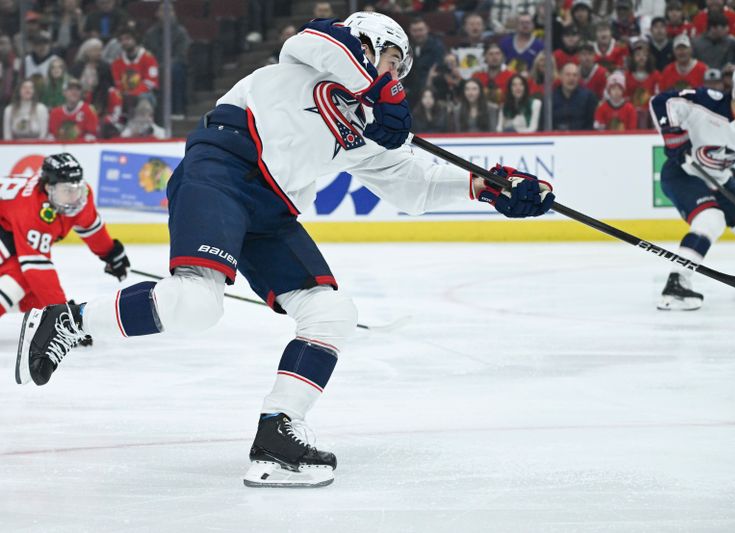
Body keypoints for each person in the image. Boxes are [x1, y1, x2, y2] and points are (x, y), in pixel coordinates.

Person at [15, 12, 555, 489]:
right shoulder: (311, 56)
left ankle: (277, 433)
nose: (395, 75)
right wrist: (378, 88)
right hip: (223, 170)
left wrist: (484, 188)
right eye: (391, 58)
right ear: (366, 41)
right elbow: (323, 44)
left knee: (332, 312)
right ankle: (67, 320)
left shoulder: (366, 128)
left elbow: (409, 183)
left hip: (270, 212)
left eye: (400, 70)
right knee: (197, 304)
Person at [649, 62, 735, 310]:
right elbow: (662, 102)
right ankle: (676, 284)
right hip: (683, 172)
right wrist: (673, 135)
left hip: (720, 179)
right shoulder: (707, 101)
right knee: (710, 220)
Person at [0, 153, 128, 327]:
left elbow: (90, 228)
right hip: (5, 229)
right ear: (48, 188)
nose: (75, 198)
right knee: (20, 276)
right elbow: (38, 270)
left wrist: (110, 253)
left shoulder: (82, 195)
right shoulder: (32, 209)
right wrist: (63, 317)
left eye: (77, 189)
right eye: (66, 191)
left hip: (8, 229)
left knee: (36, 300)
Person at [142, 2, 191, 118]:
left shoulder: (181, 32)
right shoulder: (150, 33)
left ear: (174, 13)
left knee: (175, 71)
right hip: (154, 66)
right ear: (157, 14)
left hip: (175, 65)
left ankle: (177, 110)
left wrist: (165, 65)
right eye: (162, 10)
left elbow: (181, 54)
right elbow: (146, 53)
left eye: (169, 10)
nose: (166, 13)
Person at [111, 23, 159, 113]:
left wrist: (133, 93)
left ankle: (143, 123)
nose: (124, 42)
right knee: (113, 93)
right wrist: (125, 94)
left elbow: (150, 83)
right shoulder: (117, 62)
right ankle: (117, 122)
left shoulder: (149, 58)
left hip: (145, 95)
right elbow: (118, 83)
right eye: (121, 40)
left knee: (143, 97)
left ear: (135, 39)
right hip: (125, 94)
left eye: (128, 38)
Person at [625, 37, 660, 128]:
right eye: (638, 55)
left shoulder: (655, 75)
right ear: (632, 57)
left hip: (650, 116)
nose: (641, 58)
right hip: (631, 115)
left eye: (644, 55)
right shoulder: (627, 76)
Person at [551, 62, 597, 130]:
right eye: (568, 75)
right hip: (556, 137)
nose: (571, 78)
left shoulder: (588, 97)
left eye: (575, 75)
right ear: (560, 76)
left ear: (579, 78)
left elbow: (591, 124)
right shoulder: (551, 98)